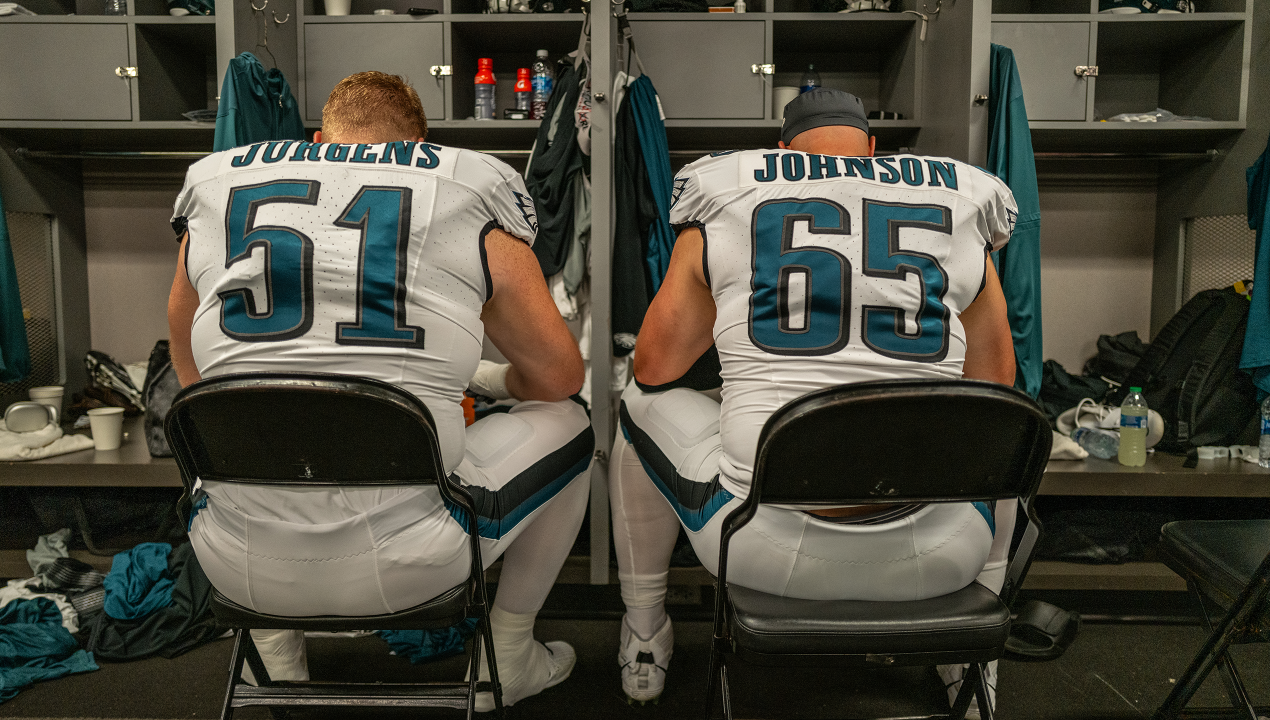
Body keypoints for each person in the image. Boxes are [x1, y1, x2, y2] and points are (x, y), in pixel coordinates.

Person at [167, 71, 592, 711]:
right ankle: (506, 653)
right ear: (421, 146)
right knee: (572, 419)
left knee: (232, 423)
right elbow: (559, 378)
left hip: (235, 560)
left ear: (317, 140)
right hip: (416, 559)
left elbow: (191, 370)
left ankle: (276, 665)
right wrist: (485, 377)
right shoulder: (464, 189)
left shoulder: (215, 187)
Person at [610, 89, 1019, 718]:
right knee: (1004, 430)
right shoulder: (959, 201)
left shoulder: (731, 191)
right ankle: (971, 656)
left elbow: (656, 366)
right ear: (873, 149)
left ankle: (643, 637)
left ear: (784, 151)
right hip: (945, 552)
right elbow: (996, 382)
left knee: (636, 401)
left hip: (759, 547)